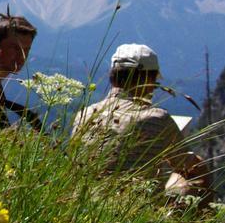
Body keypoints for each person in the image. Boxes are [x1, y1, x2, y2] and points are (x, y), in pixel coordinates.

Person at [72, 43, 210, 203]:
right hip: (134, 208)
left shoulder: (84, 115)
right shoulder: (156, 118)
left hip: (84, 206)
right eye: (155, 81)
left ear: (113, 76)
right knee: (197, 171)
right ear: (147, 79)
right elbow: (189, 167)